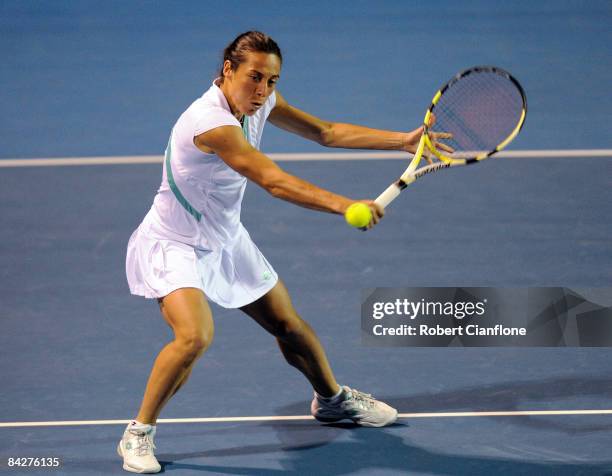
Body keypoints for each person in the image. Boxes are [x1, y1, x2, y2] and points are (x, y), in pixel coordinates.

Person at [117, 31, 446, 474]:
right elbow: (273, 181)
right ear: (228, 70)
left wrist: (402, 141)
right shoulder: (210, 124)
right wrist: (345, 205)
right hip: (174, 242)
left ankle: (331, 401)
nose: (263, 91)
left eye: (271, 81)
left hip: (225, 239)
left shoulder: (261, 102)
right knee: (194, 336)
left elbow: (325, 132)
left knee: (290, 326)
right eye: (254, 77)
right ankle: (138, 433)